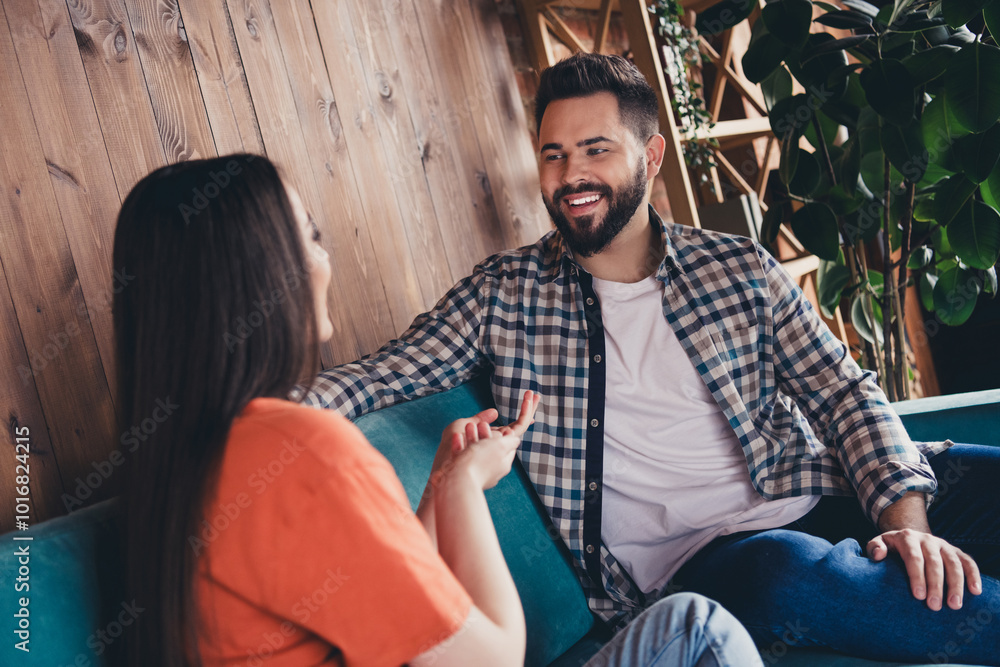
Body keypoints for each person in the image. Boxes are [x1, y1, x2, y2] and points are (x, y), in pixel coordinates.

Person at [304, 54, 1000, 665]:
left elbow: (843, 392)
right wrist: (248, 406)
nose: (571, 174)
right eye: (553, 154)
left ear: (652, 155)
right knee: (781, 575)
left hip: (819, 489)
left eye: (595, 149)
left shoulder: (734, 268)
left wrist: (908, 527)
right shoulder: (503, 295)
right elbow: (385, 374)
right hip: (710, 563)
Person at [111, 154, 760, 666]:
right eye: (308, 234)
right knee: (693, 626)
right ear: (258, 275)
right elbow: (494, 658)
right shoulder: (298, 449)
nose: (323, 256)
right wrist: (465, 491)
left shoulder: (170, 468)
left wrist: (440, 485)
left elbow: (382, 606)